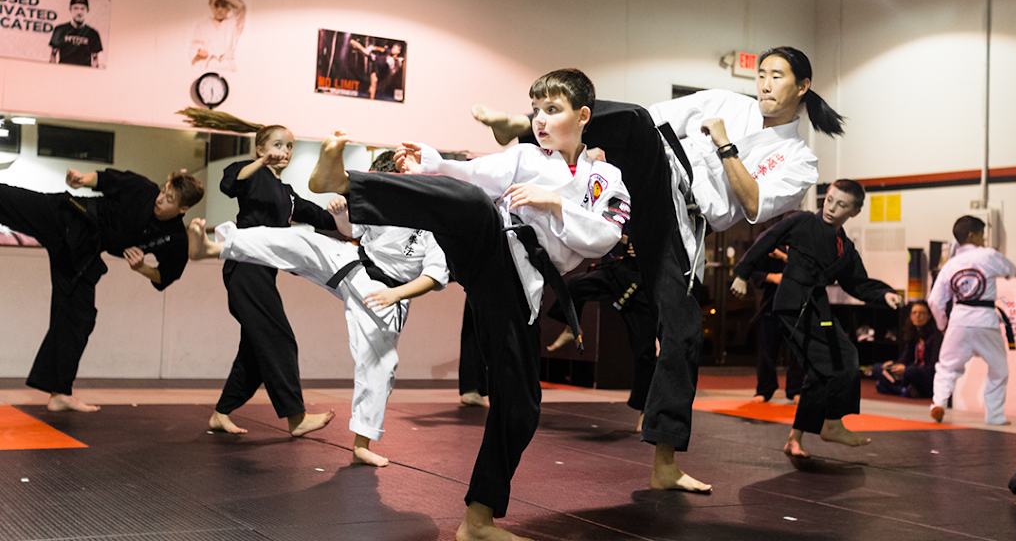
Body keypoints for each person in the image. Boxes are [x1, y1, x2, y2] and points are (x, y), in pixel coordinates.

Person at [473, 46, 841, 493]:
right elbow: (650, 119)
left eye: (777, 76)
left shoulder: (800, 159)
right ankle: (519, 127)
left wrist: (724, 144)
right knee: (637, 121)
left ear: (802, 87)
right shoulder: (728, 100)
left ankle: (665, 462)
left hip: (682, 221)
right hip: (652, 172)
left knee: (684, 331)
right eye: (761, 74)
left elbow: (753, 203)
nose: (764, 83)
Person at [306, 68, 630, 541]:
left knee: (522, 407)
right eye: (535, 110)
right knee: (472, 201)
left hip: (520, 291)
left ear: (583, 116)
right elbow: (474, 173)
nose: (539, 120)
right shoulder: (524, 155)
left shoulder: (606, 177)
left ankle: (477, 520)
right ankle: (349, 184)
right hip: (490, 250)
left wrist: (556, 204)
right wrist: (432, 162)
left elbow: (606, 237)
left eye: (552, 110)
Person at [189, 151, 448, 465]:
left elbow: (434, 276)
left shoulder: (434, 220)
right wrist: (341, 217)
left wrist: (397, 296)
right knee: (299, 241)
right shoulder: (382, 207)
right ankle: (215, 247)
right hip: (352, 264)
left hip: (387, 292)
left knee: (379, 365)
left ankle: (362, 444)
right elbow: (353, 232)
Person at [0, 168, 204, 411]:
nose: (160, 199)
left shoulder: (174, 238)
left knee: (80, 318)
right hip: (71, 216)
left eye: (169, 199)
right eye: (163, 192)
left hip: (83, 253)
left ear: (183, 209)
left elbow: (165, 276)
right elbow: (108, 179)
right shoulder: (143, 190)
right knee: (9, 200)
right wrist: (83, 179)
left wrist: (141, 268)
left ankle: (60, 394)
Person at [731, 180, 903, 458]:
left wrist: (884, 295)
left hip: (816, 307)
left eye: (842, 205)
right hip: (792, 303)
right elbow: (767, 239)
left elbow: (857, 283)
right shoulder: (802, 222)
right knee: (839, 361)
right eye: (830, 200)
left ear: (855, 211)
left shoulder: (844, 247)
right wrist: (742, 272)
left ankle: (796, 438)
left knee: (828, 367)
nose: (832, 208)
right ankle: (833, 423)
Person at [209, 124, 337, 437]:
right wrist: (260, 163)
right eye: (278, 145)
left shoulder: (288, 195)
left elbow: (323, 220)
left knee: (256, 350)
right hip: (244, 267)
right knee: (278, 338)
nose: (284, 152)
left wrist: (343, 211)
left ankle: (221, 413)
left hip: (262, 272)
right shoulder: (251, 173)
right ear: (260, 149)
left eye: (290, 146)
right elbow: (228, 184)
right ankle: (296, 417)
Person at [545, 231, 657, 431]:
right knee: (577, 284)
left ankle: (645, 412)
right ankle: (572, 328)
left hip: (644, 283)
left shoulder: (663, 211)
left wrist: (641, 243)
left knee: (644, 352)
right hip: (621, 272)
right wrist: (624, 238)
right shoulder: (627, 206)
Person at [927, 215, 1016, 425]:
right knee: (998, 370)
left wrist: (942, 325)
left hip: (958, 320)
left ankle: (938, 403)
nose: (984, 240)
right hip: (985, 320)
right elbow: (1011, 271)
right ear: (972, 235)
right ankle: (994, 416)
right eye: (982, 235)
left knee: (946, 367)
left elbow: (934, 301)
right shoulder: (988, 255)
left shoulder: (950, 265)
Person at [745, 243, 804, 403]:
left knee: (797, 353)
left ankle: (796, 390)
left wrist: (786, 258)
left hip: (796, 308)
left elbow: (807, 269)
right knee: (767, 351)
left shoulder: (803, 247)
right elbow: (755, 273)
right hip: (771, 306)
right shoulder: (771, 247)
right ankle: (764, 390)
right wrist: (772, 277)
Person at [871, 301, 942, 398]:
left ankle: (894, 388)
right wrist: (893, 364)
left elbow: (932, 366)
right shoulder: (913, 335)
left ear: (929, 316)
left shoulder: (934, 338)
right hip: (910, 371)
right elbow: (905, 359)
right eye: (914, 313)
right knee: (877, 368)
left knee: (910, 371)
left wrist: (906, 369)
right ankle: (903, 390)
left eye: (921, 313)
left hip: (925, 374)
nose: (917, 316)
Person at [190, 0, 246, 71]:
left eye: (223, 5)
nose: (219, 9)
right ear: (210, 5)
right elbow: (194, 48)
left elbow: (241, 8)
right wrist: (199, 52)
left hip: (228, 67)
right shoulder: (202, 26)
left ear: (229, 7)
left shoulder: (234, 24)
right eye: (216, 5)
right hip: (207, 66)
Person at [49, 0, 103, 67]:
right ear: (70, 9)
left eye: (82, 9)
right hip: (63, 70)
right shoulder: (60, 30)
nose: (79, 12)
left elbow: (95, 59)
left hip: (84, 72)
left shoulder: (93, 33)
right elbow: (53, 55)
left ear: (87, 10)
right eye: (75, 8)